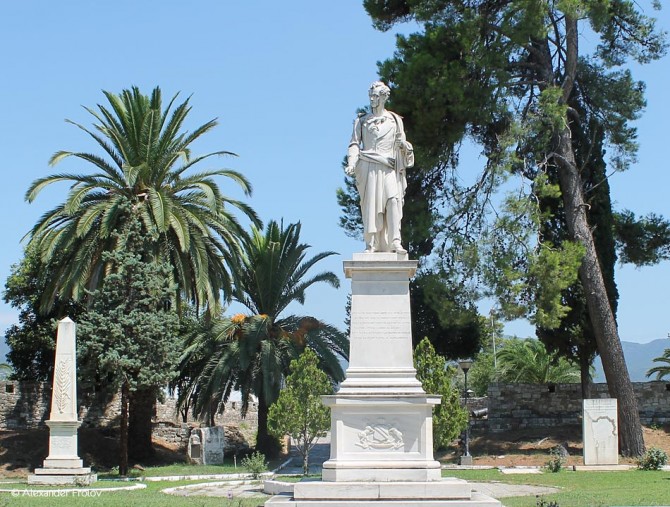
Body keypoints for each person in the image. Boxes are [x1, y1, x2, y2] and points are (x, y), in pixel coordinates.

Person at [345, 81, 414, 253]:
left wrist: (404, 146)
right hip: (368, 166)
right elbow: (354, 144)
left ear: (383, 97)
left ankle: (395, 241)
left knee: (393, 200)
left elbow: (404, 145)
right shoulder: (362, 121)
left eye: (376, 96)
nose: (372, 99)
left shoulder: (395, 120)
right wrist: (352, 163)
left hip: (389, 167)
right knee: (371, 206)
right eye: (371, 95)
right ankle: (372, 243)